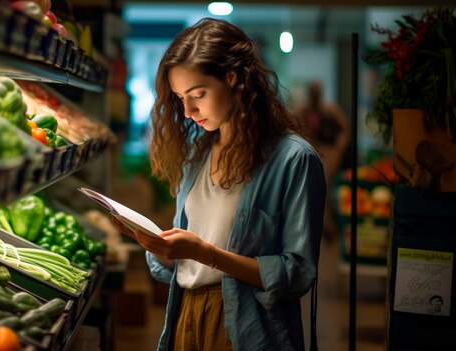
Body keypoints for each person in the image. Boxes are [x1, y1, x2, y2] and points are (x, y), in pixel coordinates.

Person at [111, 18, 326, 351]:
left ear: (233, 79)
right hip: (185, 314)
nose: (187, 111)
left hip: (248, 324)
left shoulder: (293, 159)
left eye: (198, 94)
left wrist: (206, 253)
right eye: (180, 97)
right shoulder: (196, 156)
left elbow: (297, 273)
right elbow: (187, 262)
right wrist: (161, 248)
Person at [294, 80, 350, 241]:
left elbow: (345, 128)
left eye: (317, 93)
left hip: (327, 152)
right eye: (312, 93)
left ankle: (326, 222)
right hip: (309, 151)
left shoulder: (330, 110)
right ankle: (317, 222)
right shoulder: (302, 110)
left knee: (323, 182)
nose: (315, 96)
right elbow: (290, 122)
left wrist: (339, 149)